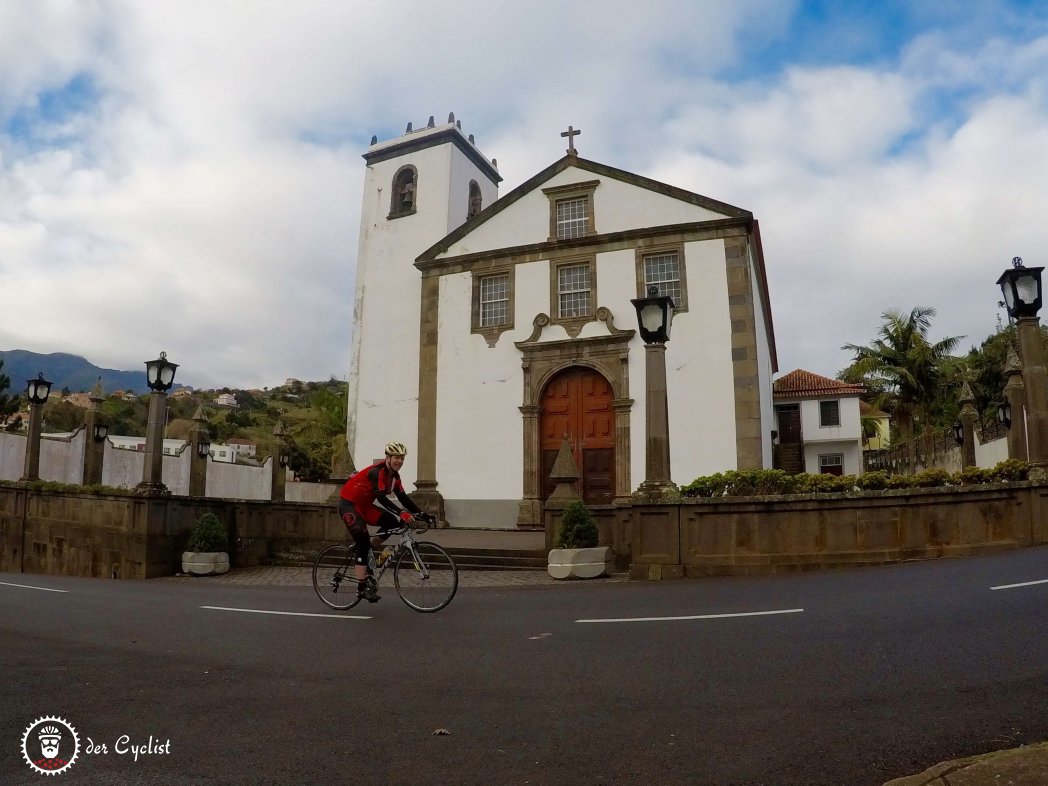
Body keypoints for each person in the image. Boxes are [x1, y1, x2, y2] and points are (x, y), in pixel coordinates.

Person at [337, 441, 433, 602]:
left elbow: (403, 498)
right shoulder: (377, 472)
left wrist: (423, 514)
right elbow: (381, 498)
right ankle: (361, 587)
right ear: (388, 457)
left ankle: (369, 550)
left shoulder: (395, 477)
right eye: (396, 457)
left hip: (366, 506)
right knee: (362, 539)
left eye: (402, 458)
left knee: (392, 522)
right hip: (349, 505)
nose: (399, 461)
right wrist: (401, 512)